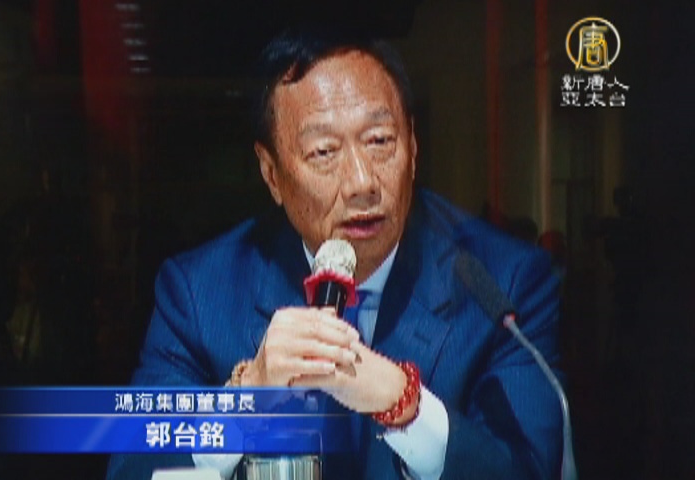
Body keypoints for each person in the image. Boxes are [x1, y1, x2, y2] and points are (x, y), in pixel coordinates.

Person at [107, 29, 563, 480]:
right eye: (324, 151)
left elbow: (529, 471)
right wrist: (245, 403)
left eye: (380, 141)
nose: (362, 182)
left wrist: (406, 405)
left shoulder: (503, 284)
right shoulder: (200, 292)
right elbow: (134, 471)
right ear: (271, 174)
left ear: (413, 146)